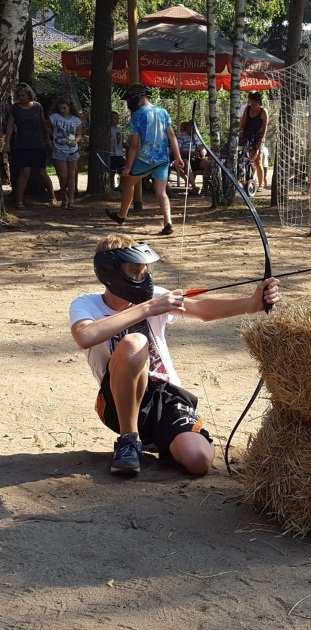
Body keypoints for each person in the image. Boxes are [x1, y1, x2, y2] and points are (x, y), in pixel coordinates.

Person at [69, 233, 281, 476]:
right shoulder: (87, 305)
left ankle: (164, 440)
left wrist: (252, 303)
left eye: (144, 270)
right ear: (110, 273)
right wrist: (148, 307)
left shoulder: (154, 296)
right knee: (135, 342)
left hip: (166, 397)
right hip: (117, 400)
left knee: (198, 460)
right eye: (133, 270)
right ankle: (129, 441)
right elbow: (84, 336)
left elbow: (202, 309)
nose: (141, 277)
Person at [106, 84, 184, 236]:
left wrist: (128, 166)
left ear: (139, 97)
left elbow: (134, 146)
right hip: (163, 158)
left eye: (130, 99)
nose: (129, 102)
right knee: (161, 192)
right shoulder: (163, 112)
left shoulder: (137, 115)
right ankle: (168, 222)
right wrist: (178, 157)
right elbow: (172, 136)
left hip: (145, 159)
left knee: (127, 182)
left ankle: (121, 216)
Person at [4, 83, 57, 209]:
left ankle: (52, 197)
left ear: (29, 95)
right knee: (25, 172)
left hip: (38, 144)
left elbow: (43, 123)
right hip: (22, 145)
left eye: (24, 95)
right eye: (19, 95)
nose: (21, 97)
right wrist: (7, 143)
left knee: (42, 172)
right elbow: (10, 126)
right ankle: (19, 201)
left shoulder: (37, 106)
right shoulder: (15, 108)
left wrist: (49, 139)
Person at [49, 97, 82, 209]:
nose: (62, 110)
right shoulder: (54, 117)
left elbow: (78, 134)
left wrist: (75, 141)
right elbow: (46, 127)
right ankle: (64, 196)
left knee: (72, 175)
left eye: (64, 108)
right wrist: (51, 139)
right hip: (59, 149)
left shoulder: (75, 120)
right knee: (63, 175)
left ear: (69, 108)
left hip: (72, 150)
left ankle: (71, 200)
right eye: (60, 108)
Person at [240, 92, 268, 189]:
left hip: (258, 137)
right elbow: (242, 124)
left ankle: (261, 185)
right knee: (246, 159)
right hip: (247, 137)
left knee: (258, 160)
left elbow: (264, 129)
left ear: (258, 101)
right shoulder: (247, 109)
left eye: (253, 101)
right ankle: (248, 180)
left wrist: (260, 142)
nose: (251, 103)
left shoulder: (263, 111)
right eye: (250, 101)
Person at [109, 111, 125, 191]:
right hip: (111, 154)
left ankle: (120, 186)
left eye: (117, 118)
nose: (115, 120)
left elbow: (122, 141)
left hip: (120, 154)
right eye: (113, 118)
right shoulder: (108, 129)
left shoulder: (120, 129)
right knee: (112, 171)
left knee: (122, 170)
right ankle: (111, 187)